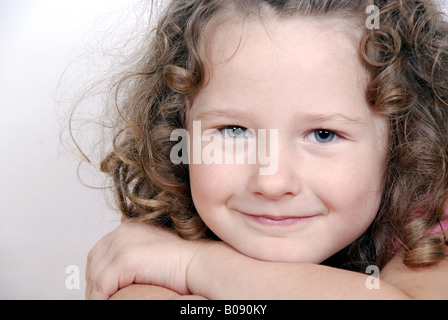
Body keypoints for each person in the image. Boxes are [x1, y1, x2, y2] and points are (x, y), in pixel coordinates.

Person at [83, 0, 448, 299]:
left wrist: (194, 265)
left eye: (323, 134)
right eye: (234, 130)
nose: (272, 182)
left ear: (405, 141)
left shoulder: (428, 223)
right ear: (177, 129)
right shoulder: (157, 232)